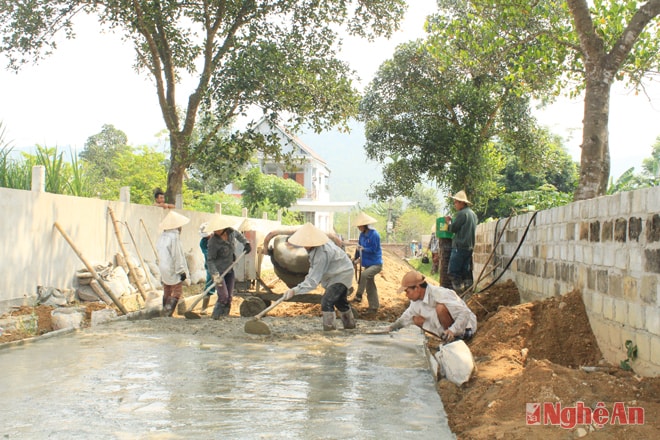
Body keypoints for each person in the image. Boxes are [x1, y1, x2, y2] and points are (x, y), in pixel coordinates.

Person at [282, 223, 355, 331]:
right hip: (335, 273)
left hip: (341, 274)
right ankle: (350, 327)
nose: (303, 245)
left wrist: (295, 290)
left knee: (327, 301)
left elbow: (313, 281)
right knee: (340, 302)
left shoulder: (322, 253)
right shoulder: (314, 249)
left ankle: (330, 330)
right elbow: (313, 272)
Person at [388, 270, 477, 342]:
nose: (406, 295)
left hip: (465, 329)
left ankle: (452, 340)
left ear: (417, 288)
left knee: (440, 308)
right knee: (415, 319)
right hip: (449, 330)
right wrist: (391, 328)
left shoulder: (440, 293)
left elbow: (464, 313)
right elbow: (406, 317)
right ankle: (445, 338)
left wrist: (452, 331)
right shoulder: (415, 301)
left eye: (407, 291)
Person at [206, 216, 252, 319]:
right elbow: (210, 260)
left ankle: (225, 316)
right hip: (219, 272)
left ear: (224, 228)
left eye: (218, 228)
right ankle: (216, 316)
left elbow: (239, 236)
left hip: (229, 269)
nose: (216, 231)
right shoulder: (213, 242)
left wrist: (246, 243)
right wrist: (215, 274)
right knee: (223, 296)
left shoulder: (231, 233)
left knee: (229, 297)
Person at [156, 211, 190, 316]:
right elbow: (177, 255)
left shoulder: (162, 237)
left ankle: (164, 310)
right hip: (172, 267)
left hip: (162, 266)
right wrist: (181, 271)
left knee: (167, 289)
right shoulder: (174, 237)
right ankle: (168, 312)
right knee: (177, 291)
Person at [444, 190, 478, 293]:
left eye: (456, 202)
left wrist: (448, 223)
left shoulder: (462, 214)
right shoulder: (473, 214)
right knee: (466, 272)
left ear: (462, 203)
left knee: (453, 272)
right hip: (469, 247)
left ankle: (459, 294)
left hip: (459, 247)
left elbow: (453, 229)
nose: (455, 204)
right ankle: (469, 294)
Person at [351, 212, 383, 313]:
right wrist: (355, 259)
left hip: (376, 264)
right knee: (370, 286)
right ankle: (373, 307)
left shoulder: (374, 235)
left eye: (359, 226)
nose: (358, 227)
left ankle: (359, 295)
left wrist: (364, 249)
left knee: (364, 275)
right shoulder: (362, 235)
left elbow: (374, 249)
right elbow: (358, 248)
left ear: (364, 225)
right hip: (367, 264)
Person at [198, 222, 215, 315]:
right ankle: (204, 308)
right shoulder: (203, 243)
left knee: (223, 286)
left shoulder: (218, 238)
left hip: (223, 266)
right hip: (211, 267)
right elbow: (209, 255)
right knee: (209, 285)